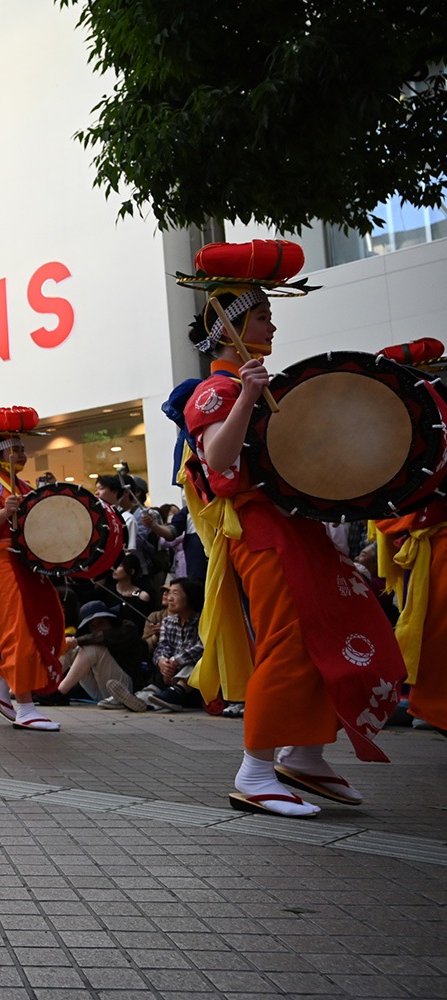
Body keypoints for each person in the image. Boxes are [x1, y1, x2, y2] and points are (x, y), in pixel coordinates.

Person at [168, 240, 404, 817]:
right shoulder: (216, 390)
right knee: (291, 640)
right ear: (231, 326)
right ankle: (253, 770)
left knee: (335, 629)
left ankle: (304, 755)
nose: (272, 322)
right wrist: (248, 392)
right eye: (263, 314)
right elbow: (220, 462)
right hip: (262, 533)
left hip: (297, 529)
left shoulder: (260, 387)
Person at [0, 409, 65, 731]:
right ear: (0, 453)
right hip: (1, 562)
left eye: (22, 449)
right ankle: (24, 705)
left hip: (26, 563)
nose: (23, 454)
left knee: (40, 625)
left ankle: (2, 686)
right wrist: (4, 513)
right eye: (17, 449)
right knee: (17, 631)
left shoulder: (21, 484)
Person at [372, 500, 447, 730]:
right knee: (425, 626)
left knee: (433, 628)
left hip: (434, 537)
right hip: (424, 538)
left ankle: (426, 702)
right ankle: (419, 701)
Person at [56, 601, 149, 710]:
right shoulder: (90, 637)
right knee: (72, 650)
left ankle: (60, 692)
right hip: (99, 690)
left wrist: (75, 641)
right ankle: (44, 687)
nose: (96, 627)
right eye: (92, 625)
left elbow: (102, 637)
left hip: (126, 686)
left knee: (93, 647)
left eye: (100, 622)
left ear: (109, 619)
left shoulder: (127, 627)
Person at [138, 577, 206, 711]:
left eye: (175, 593)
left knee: (197, 665)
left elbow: (203, 647)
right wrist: (163, 662)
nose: (169, 598)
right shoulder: (168, 621)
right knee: (153, 685)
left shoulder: (203, 621)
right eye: (169, 593)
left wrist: (175, 661)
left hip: (191, 683)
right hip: (168, 676)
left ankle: (173, 694)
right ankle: (140, 699)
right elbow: (162, 647)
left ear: (190, 597)